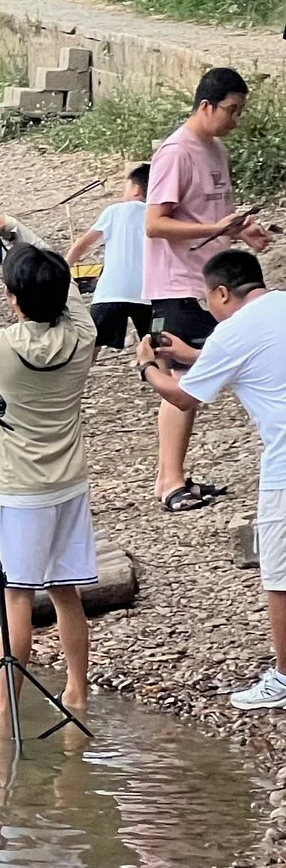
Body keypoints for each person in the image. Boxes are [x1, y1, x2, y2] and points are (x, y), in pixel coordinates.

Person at [0, 226, 99, 717]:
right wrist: (15, 230)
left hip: (18, 493)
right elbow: (65, 283)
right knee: (66, 591)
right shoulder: (83, 336)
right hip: (68, 486)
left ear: (11, 299)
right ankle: (77, 690)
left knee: (18, 600)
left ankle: (7, 706)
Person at [138, 250, 286, 708]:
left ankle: (283, 678)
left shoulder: (232, 331)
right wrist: (194, 354)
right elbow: (256, 356)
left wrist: (149, 365)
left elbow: (183, 398)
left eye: (208, 300)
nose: (209, 308)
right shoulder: (278, 306)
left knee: (279, 573)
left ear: (222, 292)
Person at [145, 68, 270, 512]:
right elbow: (155, 223)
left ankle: (172, 476)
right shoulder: (176, 152)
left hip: (214, 280)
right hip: (177, 282)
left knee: (198, 377)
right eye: (231, 111)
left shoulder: (216, 150)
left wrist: (242, 231)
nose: (235, 120)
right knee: (183, 378)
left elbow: (218, 215)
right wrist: (214, 227)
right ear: (205, 106)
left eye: (240, 111)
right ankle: (170, 481)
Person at [71, 165, 152, 351]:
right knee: (156, 347)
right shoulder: (157, 216)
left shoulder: (114, 211)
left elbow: (82, 245)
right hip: (147, 292)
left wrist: (64, 269)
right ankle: (163, 378)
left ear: (135, 189)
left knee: (93, 345)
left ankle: (77, 379)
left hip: (111, 290)